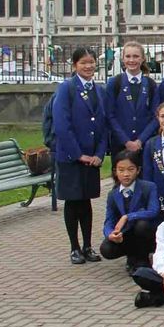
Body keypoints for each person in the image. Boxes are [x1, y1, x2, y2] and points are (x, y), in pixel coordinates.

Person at [52, 47, 109, 265]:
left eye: (91, 62)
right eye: (83, 63)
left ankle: (87, 245)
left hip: (92, 158)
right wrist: (78, 154)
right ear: (75, 65)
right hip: (72, 158)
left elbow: (103, 125)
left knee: (86, 202)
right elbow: (62, 125)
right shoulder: (67, 88)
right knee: (73, 201)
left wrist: (99, 153)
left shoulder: (99, 90)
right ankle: (74, 247)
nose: (88, 66)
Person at [98, 151, 159, 273]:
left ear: (138, 170)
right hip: (126, 234)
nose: (126, 174)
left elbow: (153, 211)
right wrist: (110, 234)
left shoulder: (149, 187)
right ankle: (132, 256)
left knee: (142, 225)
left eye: (130, 169)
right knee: (106, 249)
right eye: (121, 170)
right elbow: (109, 220)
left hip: (147, 234)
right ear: (115, 171)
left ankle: (142, 259)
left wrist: (127, 216)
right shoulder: (113, 194)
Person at [106, 41, 158, 162]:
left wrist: (140, 140)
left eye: (136, 56)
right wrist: (126, 141)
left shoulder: (151, 84)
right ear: (123, 59)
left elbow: (156, 116)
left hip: (145, 144)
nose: (131, 60)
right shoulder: (114, 83)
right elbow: (109, 115)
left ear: (143, 58)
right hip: (120, 145)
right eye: (128, 56)